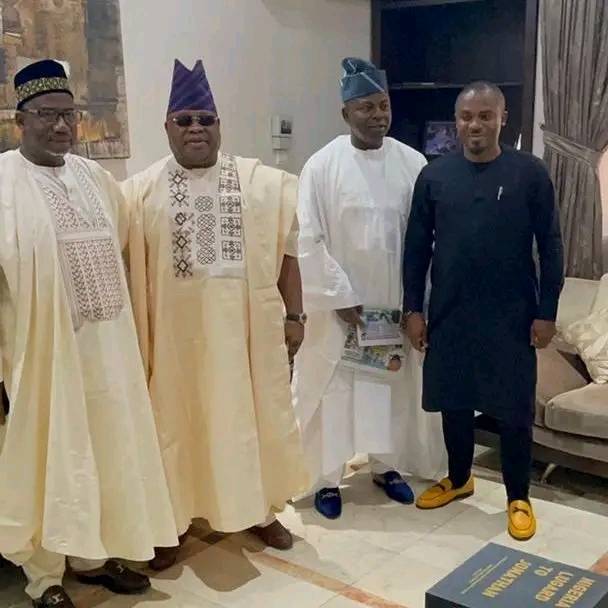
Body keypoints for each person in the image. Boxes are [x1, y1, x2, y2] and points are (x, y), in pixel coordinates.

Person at [0, 59, 179, 608]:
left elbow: (123, 244)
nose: (61, 126)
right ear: (19, 121)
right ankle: (44, 577)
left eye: (68, 114)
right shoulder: (3, 184)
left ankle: (95, 557)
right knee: (51, 458)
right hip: (43, 358)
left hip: (108, 353)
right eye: (47, 115)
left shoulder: (96, 180)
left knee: (109, 451)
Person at [121, 58, 310, 569]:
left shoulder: (260, 184)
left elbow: (288, 252)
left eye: (205, 119)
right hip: (174, 344)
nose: (195, 128)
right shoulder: (138, 194)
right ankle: (173, 522)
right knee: (176, 427)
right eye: (184, 120)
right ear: (167, 128)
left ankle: (259, 510)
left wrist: (295, 316)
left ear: (220, 125)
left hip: (245, 339)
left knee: (252, 421)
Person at [403, 81, 564, 541]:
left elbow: (551, 245)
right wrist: (413, 308)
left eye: (485, 116)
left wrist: (547, 311)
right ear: (456, 122)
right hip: (450, 310)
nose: (475, 125)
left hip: (512, 314)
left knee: (513, 410)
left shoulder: (529, 173)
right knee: (453, 400)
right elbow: (416, 248)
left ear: (502, 118)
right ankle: (459, 478)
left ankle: (518, 496)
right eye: (467, 117)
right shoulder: (434, 176)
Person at [293, 57, 447, 520]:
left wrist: (415, 303)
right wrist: (339, 297)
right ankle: (327, 480)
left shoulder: (413, 163)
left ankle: (386, 467)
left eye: (384, 105)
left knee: (390, 387)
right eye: (367, 107)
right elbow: (308, 237)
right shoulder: (322, 166)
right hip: (341, 310)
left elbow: (426, 238)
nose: (379, 115)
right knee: (334, 393)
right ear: (346, 113)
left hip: (393, 307)